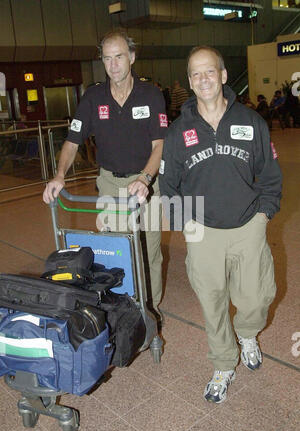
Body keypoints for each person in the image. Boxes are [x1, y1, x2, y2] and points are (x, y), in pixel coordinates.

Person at [159, 45, 282, 404]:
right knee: (212, 303)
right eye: (196, 73)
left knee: (258, 297)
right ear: (190, 81)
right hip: (203, 231)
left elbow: (270, 176)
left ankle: (247, 334)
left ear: (224, 76)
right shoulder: (178, 132)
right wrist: (188, 229)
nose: (203, 79)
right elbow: (169, 188)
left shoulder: (251, 122)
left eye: (209, 71)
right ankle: (224, 363)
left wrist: (263, 217)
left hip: (248, 226)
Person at [43, 30, 168, 322]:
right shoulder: (93, 97)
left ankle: (150, 309)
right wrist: (59, 174)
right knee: (117, 249)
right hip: (110, 182)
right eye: (107, 58)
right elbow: (73, 141)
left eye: (119, 57)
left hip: (146, 182)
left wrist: (145, 179)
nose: (113, 65)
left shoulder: (150, 95)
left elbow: (159, 144)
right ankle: (124, 309)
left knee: (149, 250)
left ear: (132, 57)